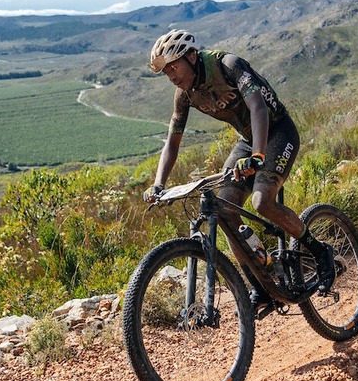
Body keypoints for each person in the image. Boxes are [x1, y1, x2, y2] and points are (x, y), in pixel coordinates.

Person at [142, 29, 336, 306]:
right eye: (165, 72)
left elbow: (257, 108)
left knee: (261, 202)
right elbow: (172, 142)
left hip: (277, 131)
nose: (171, 75)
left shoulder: (228, 65)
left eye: (173, 67)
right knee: (226, 210)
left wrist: (258, 155)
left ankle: (319, 251)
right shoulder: (184, 95)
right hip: (248, 141)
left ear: (192, 56)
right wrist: (158, 184)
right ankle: (260, 284)